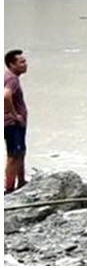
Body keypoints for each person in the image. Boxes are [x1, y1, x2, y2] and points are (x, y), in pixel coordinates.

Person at [4, 49, 28, 194]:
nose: (25, 64)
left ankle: (21, 181)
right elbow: (6, 96)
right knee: (13, 155)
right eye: (21, 62)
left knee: (20, 152)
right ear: (12, 65)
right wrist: (15, 115)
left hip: (14, 123)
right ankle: (9, 188)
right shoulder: (12, 79)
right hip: (12, 124)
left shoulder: (8, 76)